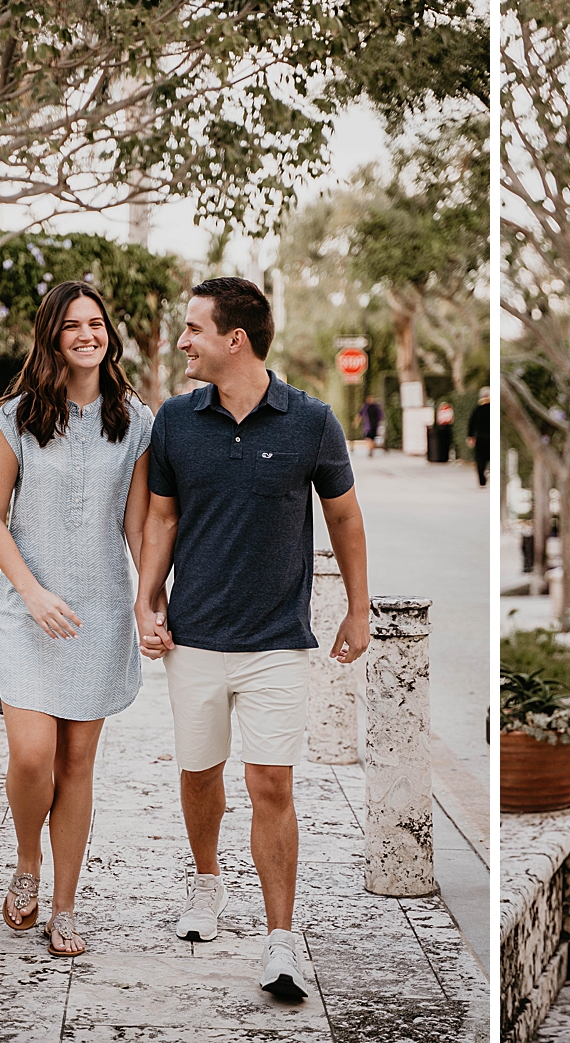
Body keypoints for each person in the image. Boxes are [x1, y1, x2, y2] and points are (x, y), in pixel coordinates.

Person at [134, 277, 370, 1002]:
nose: (183, 341)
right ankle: (207, 884)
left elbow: (345, 518)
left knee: (272, 783)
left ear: (234, 339)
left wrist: (358, 608)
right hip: (195, 637)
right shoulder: (175, 421)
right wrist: (147, 598)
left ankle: (280, 940)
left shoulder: (312, 421)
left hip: (277, 641)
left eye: (193, 329)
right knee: (200, 772)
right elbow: (162, 518)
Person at [0, 280, 155, 958]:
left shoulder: (134, 420)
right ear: (52, 336)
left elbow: (137, 525)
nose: (88, 334)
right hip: (30, 613)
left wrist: (149, 599)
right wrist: (31, 591)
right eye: (73, 324)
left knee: (77, 763)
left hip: (98, 615)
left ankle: (64, 905)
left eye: (97, 323)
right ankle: (28, 858)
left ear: (110, 334)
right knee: (32, 758)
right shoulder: (16, 417)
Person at [467, 386, 490, 486]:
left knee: (480, 459)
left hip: (480, 437)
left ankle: (482, 479)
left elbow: (471, 423)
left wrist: (470, 436)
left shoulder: (477, 409)